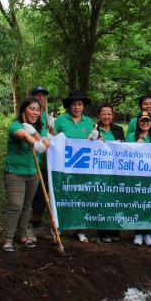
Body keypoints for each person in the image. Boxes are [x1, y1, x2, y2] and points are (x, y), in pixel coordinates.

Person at [1, 97, 50, 252]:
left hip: (33, 172)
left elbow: (47, 146)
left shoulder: (39, 128)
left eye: (37, 109)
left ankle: (23, 236)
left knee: (26, 206)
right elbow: (23, 136)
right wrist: (34, 140)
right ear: (23, 110)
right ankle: (7, 240)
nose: (35, 112)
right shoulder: (16, 126)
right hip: (15, 172)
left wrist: (35, 132)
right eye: (31, 109)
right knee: (16, 205)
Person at [54, 89, 95, 243]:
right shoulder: (60, 120)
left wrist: (94, 138)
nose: (76, 107)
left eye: (79, 104)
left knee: (81, 196)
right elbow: (52, 138)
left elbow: (91, 140)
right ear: (69, 106)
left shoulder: (89, 122)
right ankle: (57, 228)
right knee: (61, 195)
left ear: (83, 106)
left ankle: (80, 229)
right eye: (74, 104)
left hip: (81, 167)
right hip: (62, 166)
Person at [126, 111, 151, 245]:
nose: (145, 123)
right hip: (136, 175)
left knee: (149, 203)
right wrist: (136, 147)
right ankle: (138, 233)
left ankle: (148, 233)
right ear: (138, 122)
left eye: (147, 120)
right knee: (138, 203)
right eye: (142, 120)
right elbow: (127, 153)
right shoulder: (131, 136)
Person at [27, 86, 56, 242]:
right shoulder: (26, 117)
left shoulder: (46, 117)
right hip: (31, 163)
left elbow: (53, 139)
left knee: (41, 195)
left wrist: (52, 126)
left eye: (42, 96)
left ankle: (36, 226)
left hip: (45, 163)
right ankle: (25, 228)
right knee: (28, 196)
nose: (40, 98)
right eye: (37, 95)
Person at [95, 102, 125, 243]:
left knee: (116, 200)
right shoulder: (94, 129)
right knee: (102, 200)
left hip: (116, 170)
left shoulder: (118, 130)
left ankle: (114, 230)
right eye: (103, 114)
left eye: (109, 114)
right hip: (100, 170)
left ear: (112, 116)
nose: (106, 117)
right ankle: (103, 232)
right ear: (99, 115)